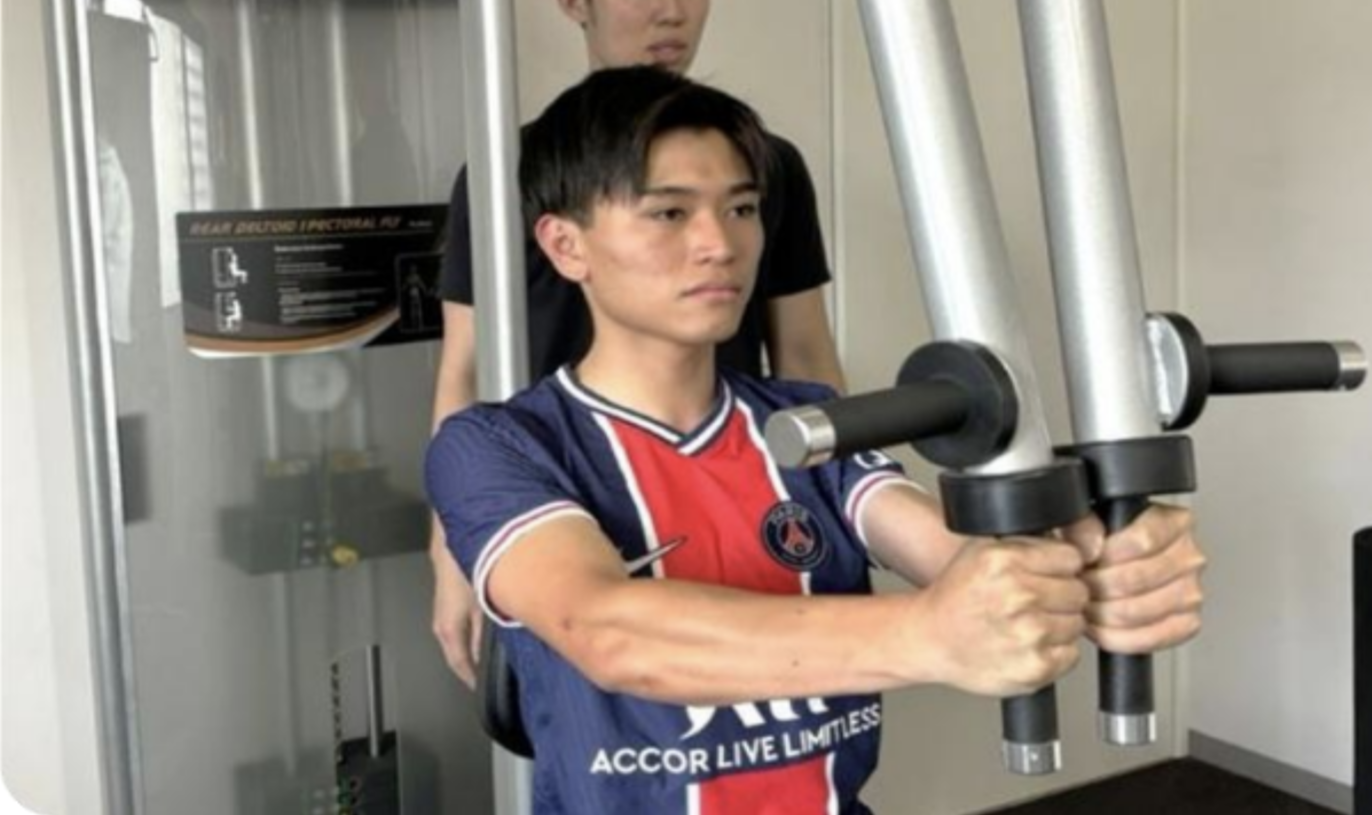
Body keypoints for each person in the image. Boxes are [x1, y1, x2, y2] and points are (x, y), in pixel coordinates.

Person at [426, 67, 1207, 814]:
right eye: (669, 214)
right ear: (566, 246)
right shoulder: (498, 448)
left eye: (741, 208)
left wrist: (1098, 565)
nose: (719, 243)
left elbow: (953, 553)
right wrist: (928, 633)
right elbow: (611, 632)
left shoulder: (806, 426)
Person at [430, 0, 845, 688]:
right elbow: (465, 368)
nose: (672, 10)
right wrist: (450, 543)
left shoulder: (769, 166)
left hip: (726, 490)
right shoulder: (504, 174)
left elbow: (804, 351)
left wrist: (836, 502)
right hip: (552, 503)